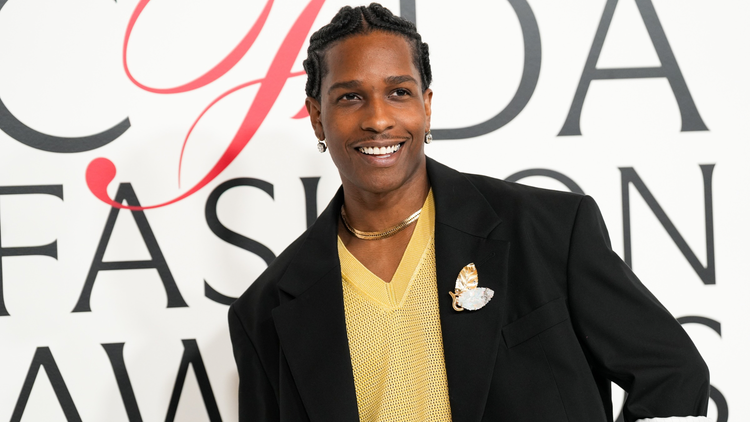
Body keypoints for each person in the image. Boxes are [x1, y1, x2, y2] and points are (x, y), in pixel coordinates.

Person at [228, 4, 710, 421]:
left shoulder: (546, 230)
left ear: (426, 106)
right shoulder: (265, 312)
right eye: (350, 97)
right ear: (317, 116)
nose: (378, 119)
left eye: (398, 92)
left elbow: (672, 374)